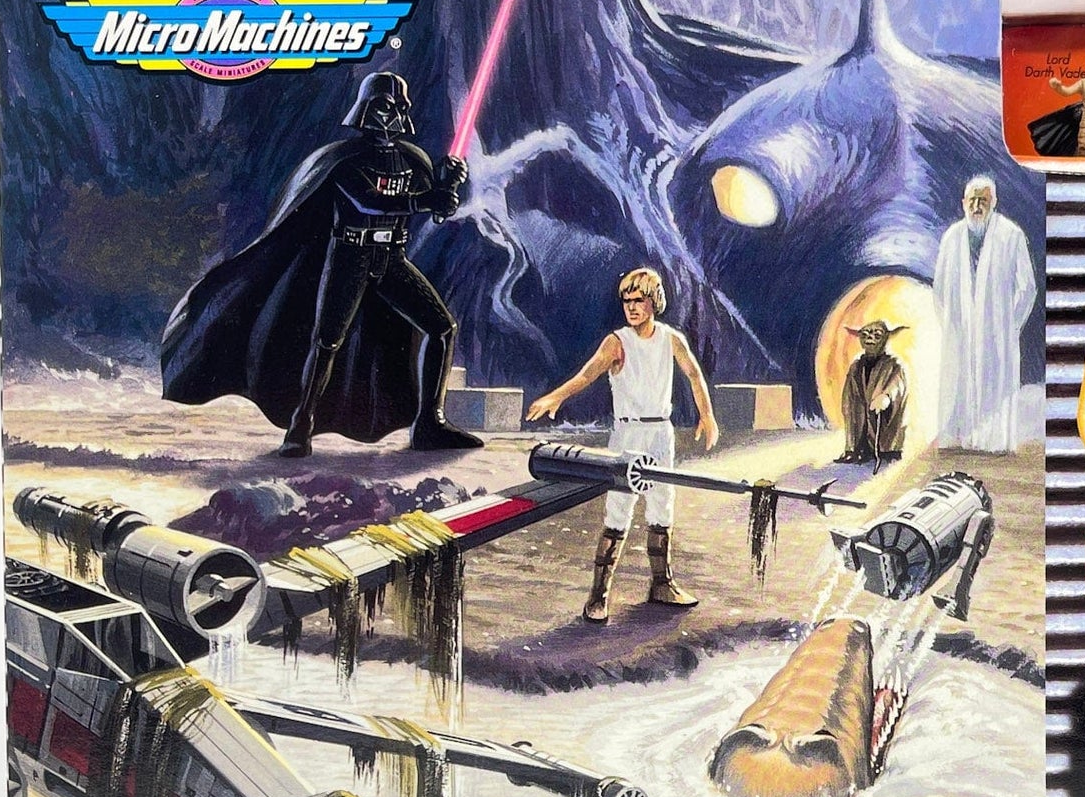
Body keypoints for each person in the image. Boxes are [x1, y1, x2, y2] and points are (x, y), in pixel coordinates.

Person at [161, 71, 480, 457]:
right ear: (366, 109)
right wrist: (426, 199)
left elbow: (436, 210)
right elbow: (367, 202)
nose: (392, 115)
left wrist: (446, 187)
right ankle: (301, 424)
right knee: (328, 341)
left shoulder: (414, 160)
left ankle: (429, 423)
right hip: (350, 257)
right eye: (384, 106)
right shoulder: (345, 160)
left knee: (442, 328)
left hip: (391, 259)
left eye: (397, 106)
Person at [527, 266, 719, 623]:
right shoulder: (617, 341)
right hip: (628, 437)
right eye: (627, 300)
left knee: (662, 508)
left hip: (660, 433)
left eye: (638, 300)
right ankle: (598, 596)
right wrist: (556, 397)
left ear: (653, 302)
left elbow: (694, 374)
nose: (631, 307)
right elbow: (588, 374)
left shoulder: (670, 338)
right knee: (618, 512)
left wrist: (706, 415)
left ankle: (662, 584)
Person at [933, 176, 1037, 452]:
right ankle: (958, 438)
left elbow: (1027, 287)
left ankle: (993, 441)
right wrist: (952, 325)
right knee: (960, 383)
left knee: (995, 386)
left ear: (994, 202)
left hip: (998, 334)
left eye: (984, 200)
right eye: (973, 200)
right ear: (963, 203)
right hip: (960, 331)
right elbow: (939, 289)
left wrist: (1008, 325)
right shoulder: (951, 238)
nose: (977, 206)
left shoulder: (1011, 235)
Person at [838, 321, 910, 467]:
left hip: (884, 419)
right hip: (861, 416)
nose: (869, 339)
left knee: (885, 441)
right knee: (858, 420)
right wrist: (849, 406)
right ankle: (855, 450)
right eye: (864, 335)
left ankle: (887, 452)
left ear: (886, 339)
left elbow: (898, 384)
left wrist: (886, 397)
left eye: (877, 336)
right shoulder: (856, 366)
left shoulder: (894, 364)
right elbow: (849, 393)